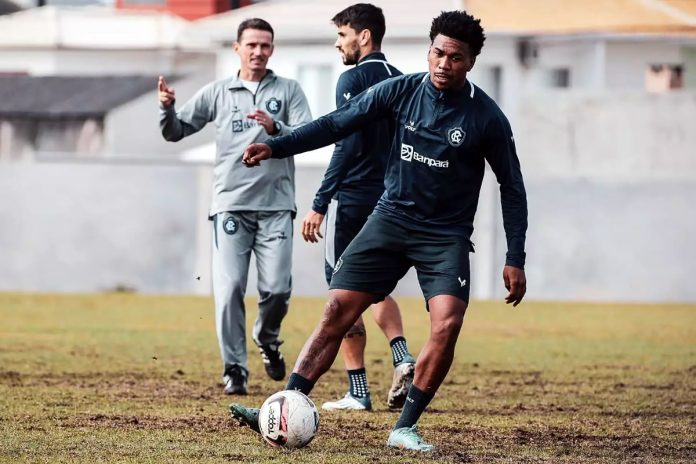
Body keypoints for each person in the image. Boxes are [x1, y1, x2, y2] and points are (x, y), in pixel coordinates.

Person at [231, 10, 527, 451]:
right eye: (438, 52)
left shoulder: (486, 118)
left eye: (456, 57)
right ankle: (286, 403)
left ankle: (404, 427)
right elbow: (336, 124)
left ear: (470, 62)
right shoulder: (401, 90)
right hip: (389, 220)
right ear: (429, 50)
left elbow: (512, 187)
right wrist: (276, 145)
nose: (444, 64)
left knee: (447, 323)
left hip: (443, 237)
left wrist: (515, 256)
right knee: (336, 311)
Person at [158, 18, 312, 395]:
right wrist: (167, 108)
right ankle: (235, 369)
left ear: (272, 50)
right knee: (228, 291)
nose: (258, 51)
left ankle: (268, 336)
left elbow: (309, 136)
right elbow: (176, 131)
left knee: (276, 289)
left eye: (265, 45)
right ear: (237, 48)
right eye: (252, 45)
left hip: (276, 205)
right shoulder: (218, 92)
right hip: (230, 205)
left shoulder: (289, 90)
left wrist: (276, 128)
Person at [302, 3, 415, 412]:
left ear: (363, 36)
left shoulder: (353, 78)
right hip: (389, 201)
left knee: (342, 288)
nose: (338, 44)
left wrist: (319, 202)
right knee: (375, 285)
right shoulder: (403, 82)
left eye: (342, 35)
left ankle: (358, 391)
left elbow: (345, 142)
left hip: (351, 199)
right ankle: (403, 357)